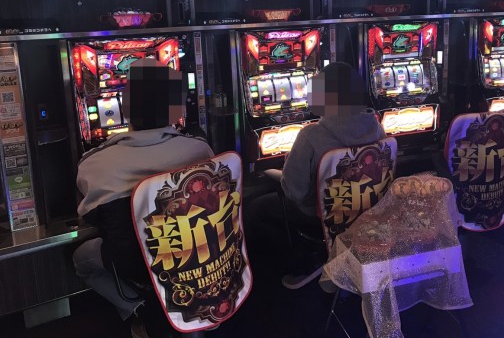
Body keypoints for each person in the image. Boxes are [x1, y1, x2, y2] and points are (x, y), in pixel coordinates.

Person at [72, 59, 215, 338]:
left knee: (81, 259)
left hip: (139, 265)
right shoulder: (201, 150)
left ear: (124, 107)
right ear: (177, 109)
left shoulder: (95, 164)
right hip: (198, 258)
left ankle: (139, 306)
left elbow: (90, 218)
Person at [244, 62, 386, 288]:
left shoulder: (311, 135)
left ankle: (300, 263)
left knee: (255, 209)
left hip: (321, 217)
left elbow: (294, 192)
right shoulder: (376, 127)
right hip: (368, 211)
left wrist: (272, 171)